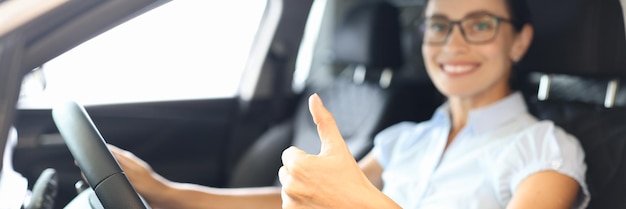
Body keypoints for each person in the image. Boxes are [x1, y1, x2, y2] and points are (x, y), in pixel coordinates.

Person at [109, 0, 590, 208]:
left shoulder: (546, 150)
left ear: (520, 41)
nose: (453, 44)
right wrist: (167, 191)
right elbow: (313, 197)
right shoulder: (405, 139)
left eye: (480, 24)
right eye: (438, 25)